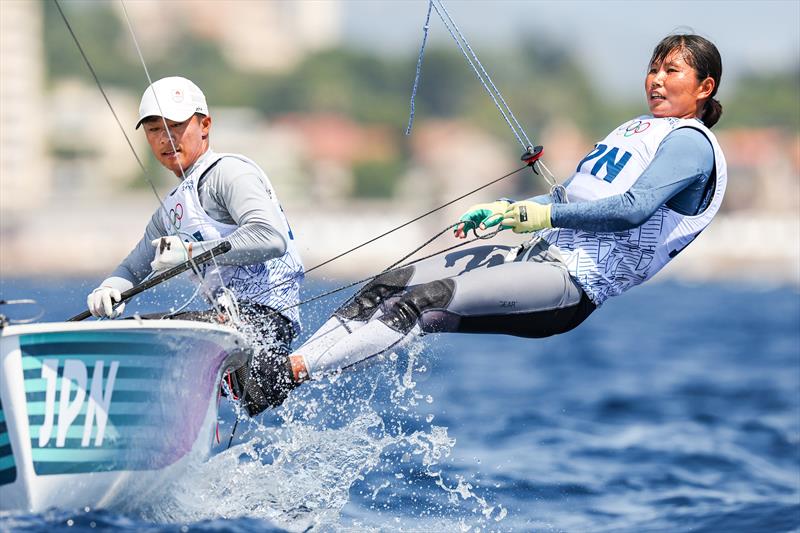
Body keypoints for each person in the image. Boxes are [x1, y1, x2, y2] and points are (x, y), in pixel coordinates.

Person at [261, 33, 727, 407]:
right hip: (533, 252)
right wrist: (506, 210)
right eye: (653, 68)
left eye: (671, 70)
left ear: (704, 87)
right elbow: (572, 195)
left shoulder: (692, 144)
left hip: (569, 285)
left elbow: (633, 210)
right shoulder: (636, 129)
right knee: (387, 284)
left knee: (423, 302)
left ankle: (285, 374)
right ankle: (280, 373)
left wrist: (540, 212)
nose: (656, 80)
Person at [86, 76, 304, 416]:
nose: (166, 137)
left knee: (142, 335)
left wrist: (189, 254)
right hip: (224, 325)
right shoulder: (170, 211)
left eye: (176, 125)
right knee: (126, 329)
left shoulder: (228, 173)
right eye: (154, 129)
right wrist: (109, 288)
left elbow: (270, 237)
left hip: (265, 324)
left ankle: (296, 367)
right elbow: (133, 268)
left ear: (205, 125)